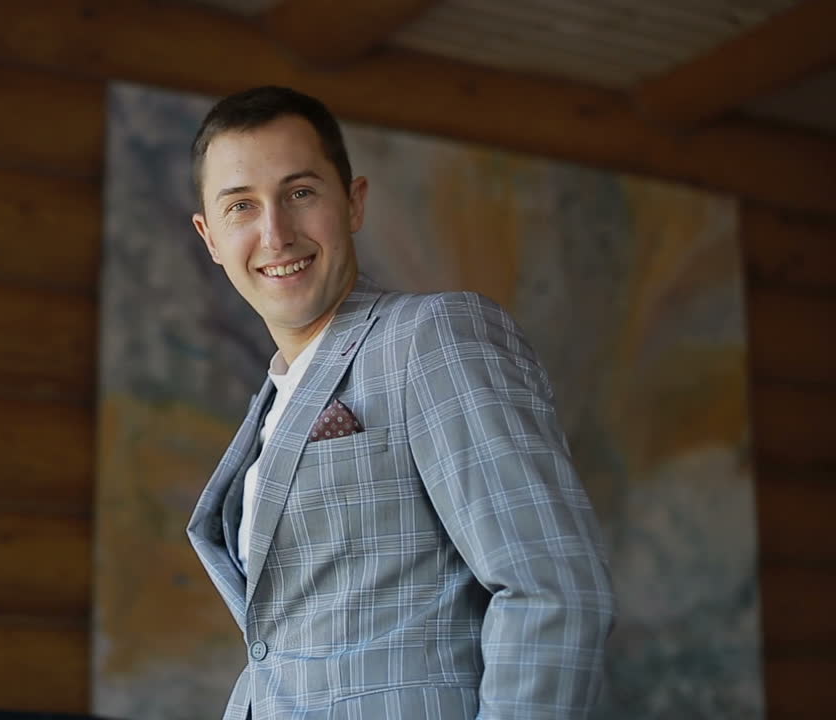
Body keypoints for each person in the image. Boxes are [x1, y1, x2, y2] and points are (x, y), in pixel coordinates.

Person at [185, 86, 616, 720]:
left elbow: (552, 590)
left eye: (301, 192)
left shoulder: (434, 337)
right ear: (211, 237)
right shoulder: (275, 402)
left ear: (353, 202)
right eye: (241, 206)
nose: (275, 232)